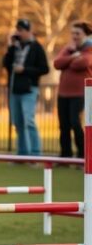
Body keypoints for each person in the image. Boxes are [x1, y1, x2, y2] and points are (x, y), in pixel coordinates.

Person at [2, 19, 49, 156]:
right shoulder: (14, 47)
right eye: (17, 30)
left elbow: (44, 69)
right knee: (18, 123)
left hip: (29, 89)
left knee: (29, 121)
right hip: (14, 89)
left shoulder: (36, 47)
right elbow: (5, 64)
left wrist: (25, 70)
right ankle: (22, 153)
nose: (18, 33)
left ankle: (35, 154)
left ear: (28, 31)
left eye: (21, 30)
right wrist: (10, 46)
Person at [52, 21, 92, 159]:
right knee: (64, 125)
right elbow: (57, 63)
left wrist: (69, 60)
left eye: (78, 33)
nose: (74, 36)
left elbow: (82, 63)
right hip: (63, 93)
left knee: (76, 123)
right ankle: (65, 155)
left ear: (85, 34)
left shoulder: (89, 48)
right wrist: (72, 55)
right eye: (73, 33)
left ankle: (82, 155)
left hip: (80, 94)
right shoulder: (69, 48)